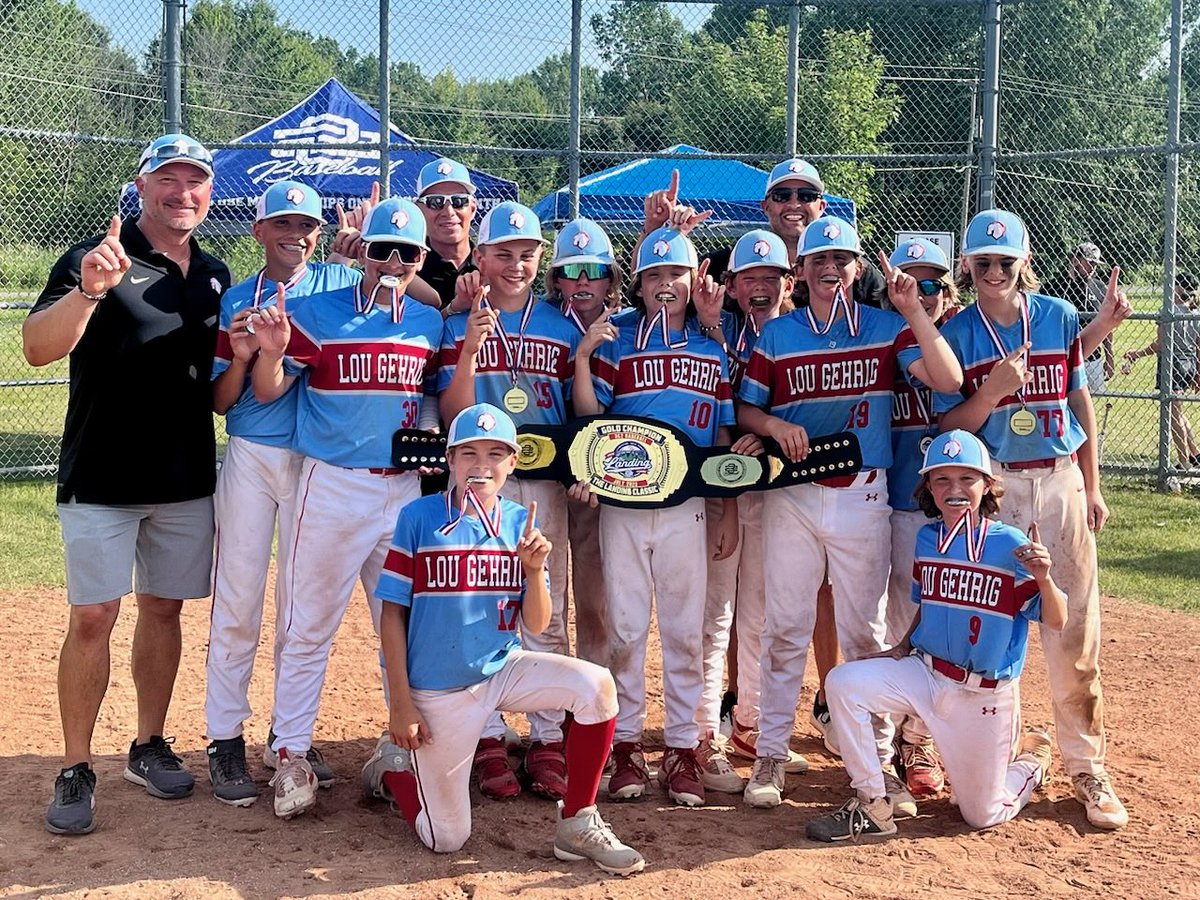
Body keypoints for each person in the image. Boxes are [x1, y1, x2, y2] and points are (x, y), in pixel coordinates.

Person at [24, 133, 231, 834]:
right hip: (101, 476)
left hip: (183, 479)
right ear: (141, 187)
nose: (183, 193)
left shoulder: (216, 272)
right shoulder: (99, 256)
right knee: (92, 616)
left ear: (209, 191)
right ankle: (76, 764)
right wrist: (87, 291)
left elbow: (222, 384)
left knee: (165, 610)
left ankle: (147, 743)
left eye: (195, 181)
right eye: (167, 180)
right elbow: (36, 347)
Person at [735, 215, 963, 811]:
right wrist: (772, 422)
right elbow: (746, 410)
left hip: (863, 492)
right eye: (818, 260)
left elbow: (947, 378)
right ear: (800, 270)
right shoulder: (778, 335)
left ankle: (878, 765)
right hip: (790, 495)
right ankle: (771, 754)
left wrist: (914, 310)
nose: (830, 268)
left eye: (841, 259)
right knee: (785, 627)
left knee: (866, 633)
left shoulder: (889, 329)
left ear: (857, 269)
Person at [360, 403, 645, 876]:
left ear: (513, 463)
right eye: (468, 453)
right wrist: (401, 705)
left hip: (504, 669)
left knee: (597, 686)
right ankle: (391, 770)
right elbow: (392, 614)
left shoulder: (519, 522)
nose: (481, 465)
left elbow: (536, 624)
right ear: (450, 460)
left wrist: (534, 572)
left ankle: (578, 822)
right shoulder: (418, 516)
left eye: (495, 454)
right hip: (437, 691)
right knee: (446, 839)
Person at [249, 197, 443, 819]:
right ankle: (291, 751)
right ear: (360, 251)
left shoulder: (427, 323)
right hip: (332, 483)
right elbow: (268, 390)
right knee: (309, 624)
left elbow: (436, 398)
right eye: (381, 248)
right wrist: (275, 353)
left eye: (406, 252)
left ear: (420, 260)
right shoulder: (313, 312)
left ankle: (400, 746)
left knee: (405, 625)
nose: (392, 261)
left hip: (403, 489)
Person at [936, 208, 1129, 829]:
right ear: (967, 267)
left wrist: (1091, 485)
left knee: (1074, 629)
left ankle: (1085, 765)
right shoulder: (956, 331)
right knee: (996, 625)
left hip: (1060, 478)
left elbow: (1079, 400)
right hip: (997, 488)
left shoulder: (1058, 317)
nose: (994, 271)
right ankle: (1003, 752)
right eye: (983, 262)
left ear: (1024, 263)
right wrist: (992, 391)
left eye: (1005, 261)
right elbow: (949, 427)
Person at [805, 430, 1064, 841]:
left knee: (981, 814)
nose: (954, 489)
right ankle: (873, 802)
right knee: (843, 682)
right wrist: (904, 645)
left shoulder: (1009, 544)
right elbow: (929, 602)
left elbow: (1057, 619)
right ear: (928, 488)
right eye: (942, 479)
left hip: (982, 695)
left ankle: (1030, 761)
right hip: (925, 675)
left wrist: (1045, 580)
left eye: (967, 479)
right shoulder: (928, 538)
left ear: (988, 485)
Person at [572, 226, 745, 808]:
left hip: (687, 506)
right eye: (654, 276)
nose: (665, 285)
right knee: (623, 627)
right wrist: (584, 358)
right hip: (623, 505)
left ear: (694, 281)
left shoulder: (711, 347)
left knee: (683, 628)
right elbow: (590, 418)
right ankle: (624, 745)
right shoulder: (616, 343)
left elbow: (722, 436)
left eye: (676, 274)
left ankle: (680, 746)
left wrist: (725, 511)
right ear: (639, 284)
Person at [204, 180, 361, 806]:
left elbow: (420, 295)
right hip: (253, 452)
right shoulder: (240, 299)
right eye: (282, 224)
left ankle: (285, 738)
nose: (296, 234)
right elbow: (220, 401)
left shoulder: (339, 284)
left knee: (300, 606)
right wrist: (241, 357)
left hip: (318, 461)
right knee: (238, 597)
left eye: (308, 225)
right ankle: (224, 738)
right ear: (258, 231)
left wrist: (361, 247)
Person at [438, 201, 580, 801]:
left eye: (526, 254)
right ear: (479, 255)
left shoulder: (563, 325)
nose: (515, 265)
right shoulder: (457, 322)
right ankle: (489, 734)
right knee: (479, 608)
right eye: (502, 254)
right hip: (477, 480)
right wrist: (469, 346)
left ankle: (547, 735)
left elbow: (581, 413)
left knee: (546, 603)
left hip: (543, 479)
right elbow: (450, 412)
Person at [694, 229, 807, 779]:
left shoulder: (800, 333)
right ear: (733, 285)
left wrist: (759, 436)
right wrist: (712, 324)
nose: (760, 287)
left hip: (777, 492)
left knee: (761, 613)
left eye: (772, 277)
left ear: (790, 283)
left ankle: (751, 724)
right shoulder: (714, 328)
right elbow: (713, 399)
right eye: (749, 278)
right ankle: (698, 734)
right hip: (721, 493)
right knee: (714, 615)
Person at [883, 237, 961, 797]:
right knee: (896, 624)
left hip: (956, 502)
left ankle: (919, 739)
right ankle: (889, 740)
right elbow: (942, 380)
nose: (920, 291)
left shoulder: (959, 333)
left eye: (932, 282)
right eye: (910, 281)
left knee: (946, 623)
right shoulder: (886, 335)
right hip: (898, 500)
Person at [543, 218, 625, 669]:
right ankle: (553, 705)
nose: (581, 282)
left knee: (595, 602)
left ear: (610, 278)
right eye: (570, 272)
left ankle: (593, 707)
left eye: (593, 271)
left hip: (603, 479)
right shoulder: (541, 321)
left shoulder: (629, 328)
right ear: (555, 279)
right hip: (549, 474)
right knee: (545, 599)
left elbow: (594, 418)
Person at [640, 161, 887, 307]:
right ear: (765, 206)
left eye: (806, 196)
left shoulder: (850, 270)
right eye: (781, 196)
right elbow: (652, 294)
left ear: (821, 207)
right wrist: (660, 232)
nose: (794, 203)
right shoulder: (736, 260)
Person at [1122, 271, 1200, 467]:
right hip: (1189, 363)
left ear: (1176, 289)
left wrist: (1136, 354)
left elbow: (1160, 344)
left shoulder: (1168, 310)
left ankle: (1183, 464)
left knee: (1173, 416)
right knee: (1179, 411)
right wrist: (1197, 372)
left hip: (1173, 364)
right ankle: (1195, 454)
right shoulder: (1195, 313)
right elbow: (1198, 346)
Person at [408, 158, 479, 311]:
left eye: (459, 201)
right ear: (419, 210)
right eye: (435, 202)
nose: (448, 211)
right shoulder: (405, 267)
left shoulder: (490, 264)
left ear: (473, 208)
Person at [1044, 243, 1113, 394]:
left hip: (1092, 356)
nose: (1092, 267)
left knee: (1091, 400)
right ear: (1075, 260)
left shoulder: (1099, 287)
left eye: (1095, 264)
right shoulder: (1054, 287)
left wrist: (1109, 356)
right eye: (1089, 262)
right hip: (1061, 355)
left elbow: (1107, 324)